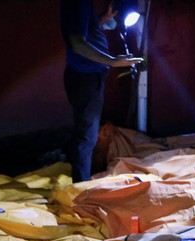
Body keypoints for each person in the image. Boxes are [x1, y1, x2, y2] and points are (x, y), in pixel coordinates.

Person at [60, 0, 142, 182]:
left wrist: (103, 19)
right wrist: (112, 61)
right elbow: (77, 43)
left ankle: (78, 174)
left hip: (88, 76)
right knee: (87, 136)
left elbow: (84, 31)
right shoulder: (77, 4)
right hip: (85, 78)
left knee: (86, 131)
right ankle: (81, 185)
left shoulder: (83, 5)